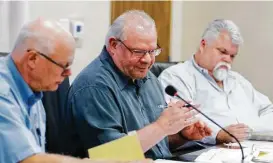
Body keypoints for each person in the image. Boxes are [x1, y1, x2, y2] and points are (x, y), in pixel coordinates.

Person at [60, 10, 212, 160]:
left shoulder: (148, 78)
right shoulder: (93, 88)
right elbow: (109, 156)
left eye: (152, 51)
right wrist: (161, 126)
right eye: (138, 51)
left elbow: (154, 145)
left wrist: (182, 135)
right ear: (113, 45)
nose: (147, 60)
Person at [0, 18, 152, 163]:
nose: (68, 74)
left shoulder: (32, 90)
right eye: (63, 66)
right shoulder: (3, 94)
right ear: (32, 59)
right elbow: (27, 160)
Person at [158, 19, 273, 144]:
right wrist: (218, 134)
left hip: (252, 147)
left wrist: (249, 129)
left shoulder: (237, 80)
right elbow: (181, 122)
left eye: (232, 56)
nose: (227, 59)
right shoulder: (176, 76)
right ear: (203, 44)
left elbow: (268, 111)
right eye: (222, 52)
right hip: (207, 152)